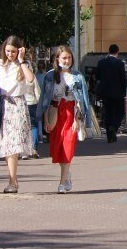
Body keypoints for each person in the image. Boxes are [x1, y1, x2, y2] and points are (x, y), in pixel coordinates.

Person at [38, 46, 93, 194]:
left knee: (68, 146)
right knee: (58, 148)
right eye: (64, 58)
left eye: (69, 57)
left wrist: (78, 119)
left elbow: (82, 101)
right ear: (57, 59)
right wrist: (45, 119)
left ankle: (62, 182)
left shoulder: (77, 76)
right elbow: (45, 99)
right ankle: (66, 174)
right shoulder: (50, 76)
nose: (67, 60)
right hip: (55, 112)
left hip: (71, 113)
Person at [0, 36, 37, 193]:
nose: (10, 54)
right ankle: (13, 180)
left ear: (19, 50)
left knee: (13, 146)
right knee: (6, 145)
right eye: (7, 51)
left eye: (13, 51)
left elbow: (30, 79)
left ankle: (12, 181)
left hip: (17, 105)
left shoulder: (23, 64)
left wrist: (21, 61)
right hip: (1, 106)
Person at [95, 44, 127, 142]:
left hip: (105, 92)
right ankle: (114, 127)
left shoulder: (101, 63)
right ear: (117, 52)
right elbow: (123, 79)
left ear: (108, 51)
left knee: (108, 113)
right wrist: (125, 90)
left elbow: (97, 77)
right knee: (120, 112)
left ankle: (110, 134)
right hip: (118, 93)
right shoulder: (120, 63)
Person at [23, 60, 42, 159]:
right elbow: (38, 91)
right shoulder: (32, 77)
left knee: (23, 127)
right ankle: (34, 149)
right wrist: (39, 102)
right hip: (32, 103)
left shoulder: (19, 77)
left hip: (22, 104)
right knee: (33, 126)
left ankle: (25, 152)